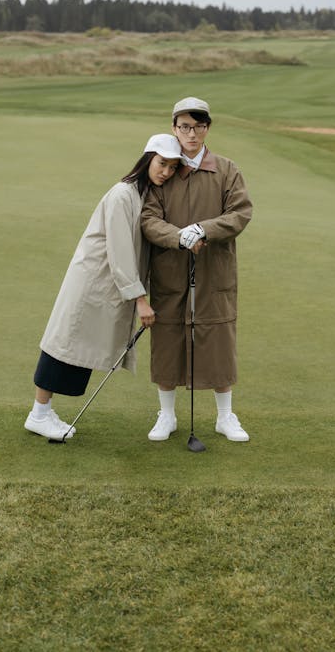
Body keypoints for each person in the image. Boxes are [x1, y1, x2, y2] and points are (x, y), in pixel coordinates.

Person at [24, 133, 183, 440]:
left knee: (73, 346)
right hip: (93, 282)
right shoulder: (123, 194)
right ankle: (39, 414)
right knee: (64, 344)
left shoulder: (144, 195)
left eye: (173, 167)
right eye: (162, 163)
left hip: (105, 284)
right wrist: (140, 300)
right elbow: (121, 250)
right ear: (148, 159)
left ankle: (42, 412)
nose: (166, 172)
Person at [140, 97, 253, 442]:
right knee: (168, 339)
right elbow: (148, 219)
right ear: (174, 128)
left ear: (207, 129)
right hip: (170, 271)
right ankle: (167, 415)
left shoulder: (227, 169)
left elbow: (240, 213)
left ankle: (225, 417)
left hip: (213, 272)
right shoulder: (166, 170)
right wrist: (178, 236)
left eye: (199, 126)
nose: (192, 133)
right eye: (185, 126)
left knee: (218, 339)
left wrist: (204, 229)